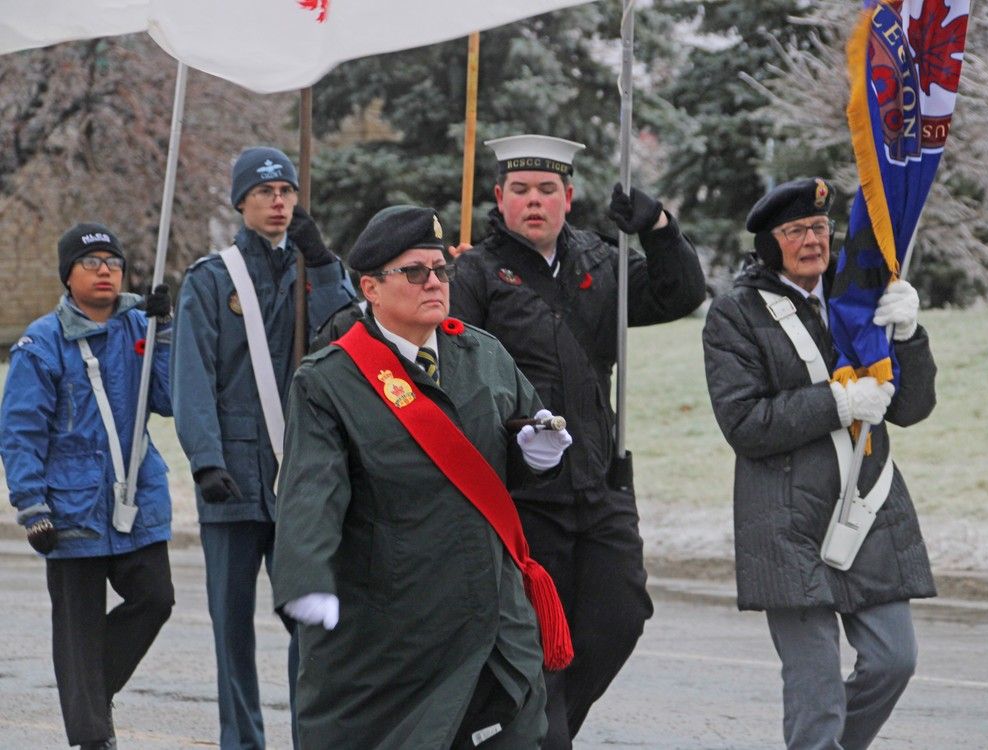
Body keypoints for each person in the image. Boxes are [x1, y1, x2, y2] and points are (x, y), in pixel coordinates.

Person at [272, 205, 575, 749]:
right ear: (372, 288)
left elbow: (518, 454)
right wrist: (306, 577)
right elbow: (310, 493)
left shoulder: (483, 354)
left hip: (490, 620)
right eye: (415, 272)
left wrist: (539, 458)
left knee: (530, 734)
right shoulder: (329, 383)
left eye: (440, 270)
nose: (434, 282)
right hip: (396, 627)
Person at [449, 134, 706, 747]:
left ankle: (526, 734)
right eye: (520, 191)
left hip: (600, 481)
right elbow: (459, 379)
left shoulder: (601, 259)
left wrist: (660, 229)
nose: (533, 201)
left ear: (568, 196)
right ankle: (538, 736)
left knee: (620, 618)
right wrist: (513, 438)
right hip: (522, 492)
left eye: (546, 190)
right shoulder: (477, 272)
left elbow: (681, 295)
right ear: (500, 198)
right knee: (539, 638)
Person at [701, 177, 937, 749]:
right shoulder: (735, 315)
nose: (813, 240)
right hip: (785, 523)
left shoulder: (856, 301)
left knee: (893, 660)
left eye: (819, 228)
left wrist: (907, 335)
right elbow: (745, 425)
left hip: (867, 507)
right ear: (768, 244)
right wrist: (838, 402)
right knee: (816, 691)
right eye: (796, 231)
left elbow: (912, 407)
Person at [170, 146, 355, 750]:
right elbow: (192, 377)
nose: (278, 203)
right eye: (265, 194)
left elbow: (349, 336)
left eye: (286, 193)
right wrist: (205, 460)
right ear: (241, 202)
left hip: (297, 473)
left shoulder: (313, 269)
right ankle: (241, 742)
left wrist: (324, 264)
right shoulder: (212, 278)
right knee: (231, 629)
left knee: (310, 623)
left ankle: (313, 738)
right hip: (230, 477)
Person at [1, 223, 175, 750]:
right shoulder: (41, 342)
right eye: (91, 261)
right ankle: (94, 737)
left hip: (136, 499)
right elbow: (20, 429)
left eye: (113, 262)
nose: (105, 270)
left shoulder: (137, 325)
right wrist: (32, 505)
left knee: (156, 598)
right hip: (70, 506)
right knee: (78, 632)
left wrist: (164, 335)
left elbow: (167, 399)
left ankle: (89, 696)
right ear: (67, 274)